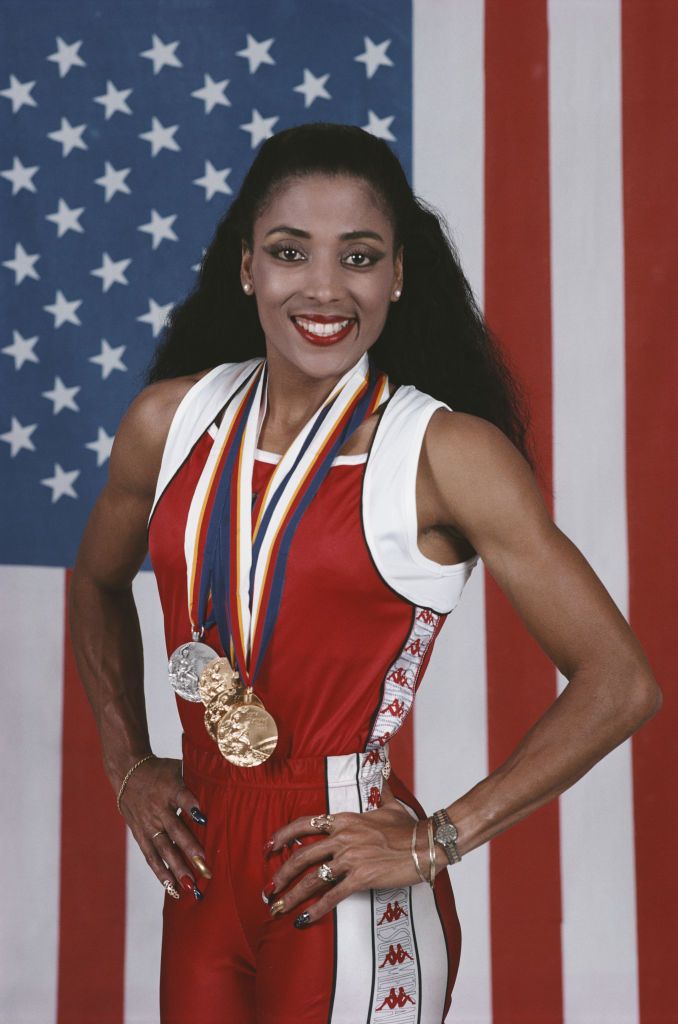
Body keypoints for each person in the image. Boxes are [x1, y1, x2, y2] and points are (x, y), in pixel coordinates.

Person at [69, 122, 662, 1024]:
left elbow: (620, 680)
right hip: (201, 865)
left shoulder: (446, 453)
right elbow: (95, 582)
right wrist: (127, 761)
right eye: (288, 252)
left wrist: (438, 840)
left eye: (358, 256)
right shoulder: (168, 422)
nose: (322, 286)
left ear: (396, 275)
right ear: (247, 269)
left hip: (341, 863)